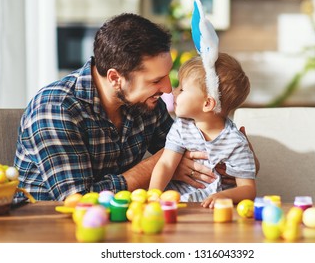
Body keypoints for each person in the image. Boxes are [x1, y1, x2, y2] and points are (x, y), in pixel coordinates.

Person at [13, 13, 258, 204]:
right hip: (47, 227)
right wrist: (163, 164)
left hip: (124, 221)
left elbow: (191, 156)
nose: (166, 88)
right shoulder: (56, 109)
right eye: (155, 80)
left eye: (166, 76)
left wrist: (231, 161)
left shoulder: (145, 102)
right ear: (115, 78)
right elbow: (80, 200)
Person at [149, 53, 257, 208]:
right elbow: (166, 164)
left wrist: (223, 196)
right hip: (178, 205)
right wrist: (153, 195)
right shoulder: (181, 127)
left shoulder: (235, 142)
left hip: (211, 209)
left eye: (182, 89)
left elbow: (248, 189)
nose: (173, 92)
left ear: (207, 103)